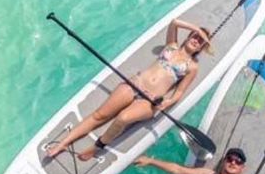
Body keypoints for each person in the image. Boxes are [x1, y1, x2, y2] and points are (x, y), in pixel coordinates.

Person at [46, 19, 212, 161]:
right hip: (135, 83)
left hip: (150, 100)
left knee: (123, 118)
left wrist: (167, 103)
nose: (196, 40)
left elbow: (179, 93)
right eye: (195, 36)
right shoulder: (172, 45)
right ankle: (63, 144)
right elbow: (175, 22)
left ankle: (97, 146)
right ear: (189, 36)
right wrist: (197, 29)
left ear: (201, 48)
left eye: (200, 41)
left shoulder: (192, 67)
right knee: (100, 115)